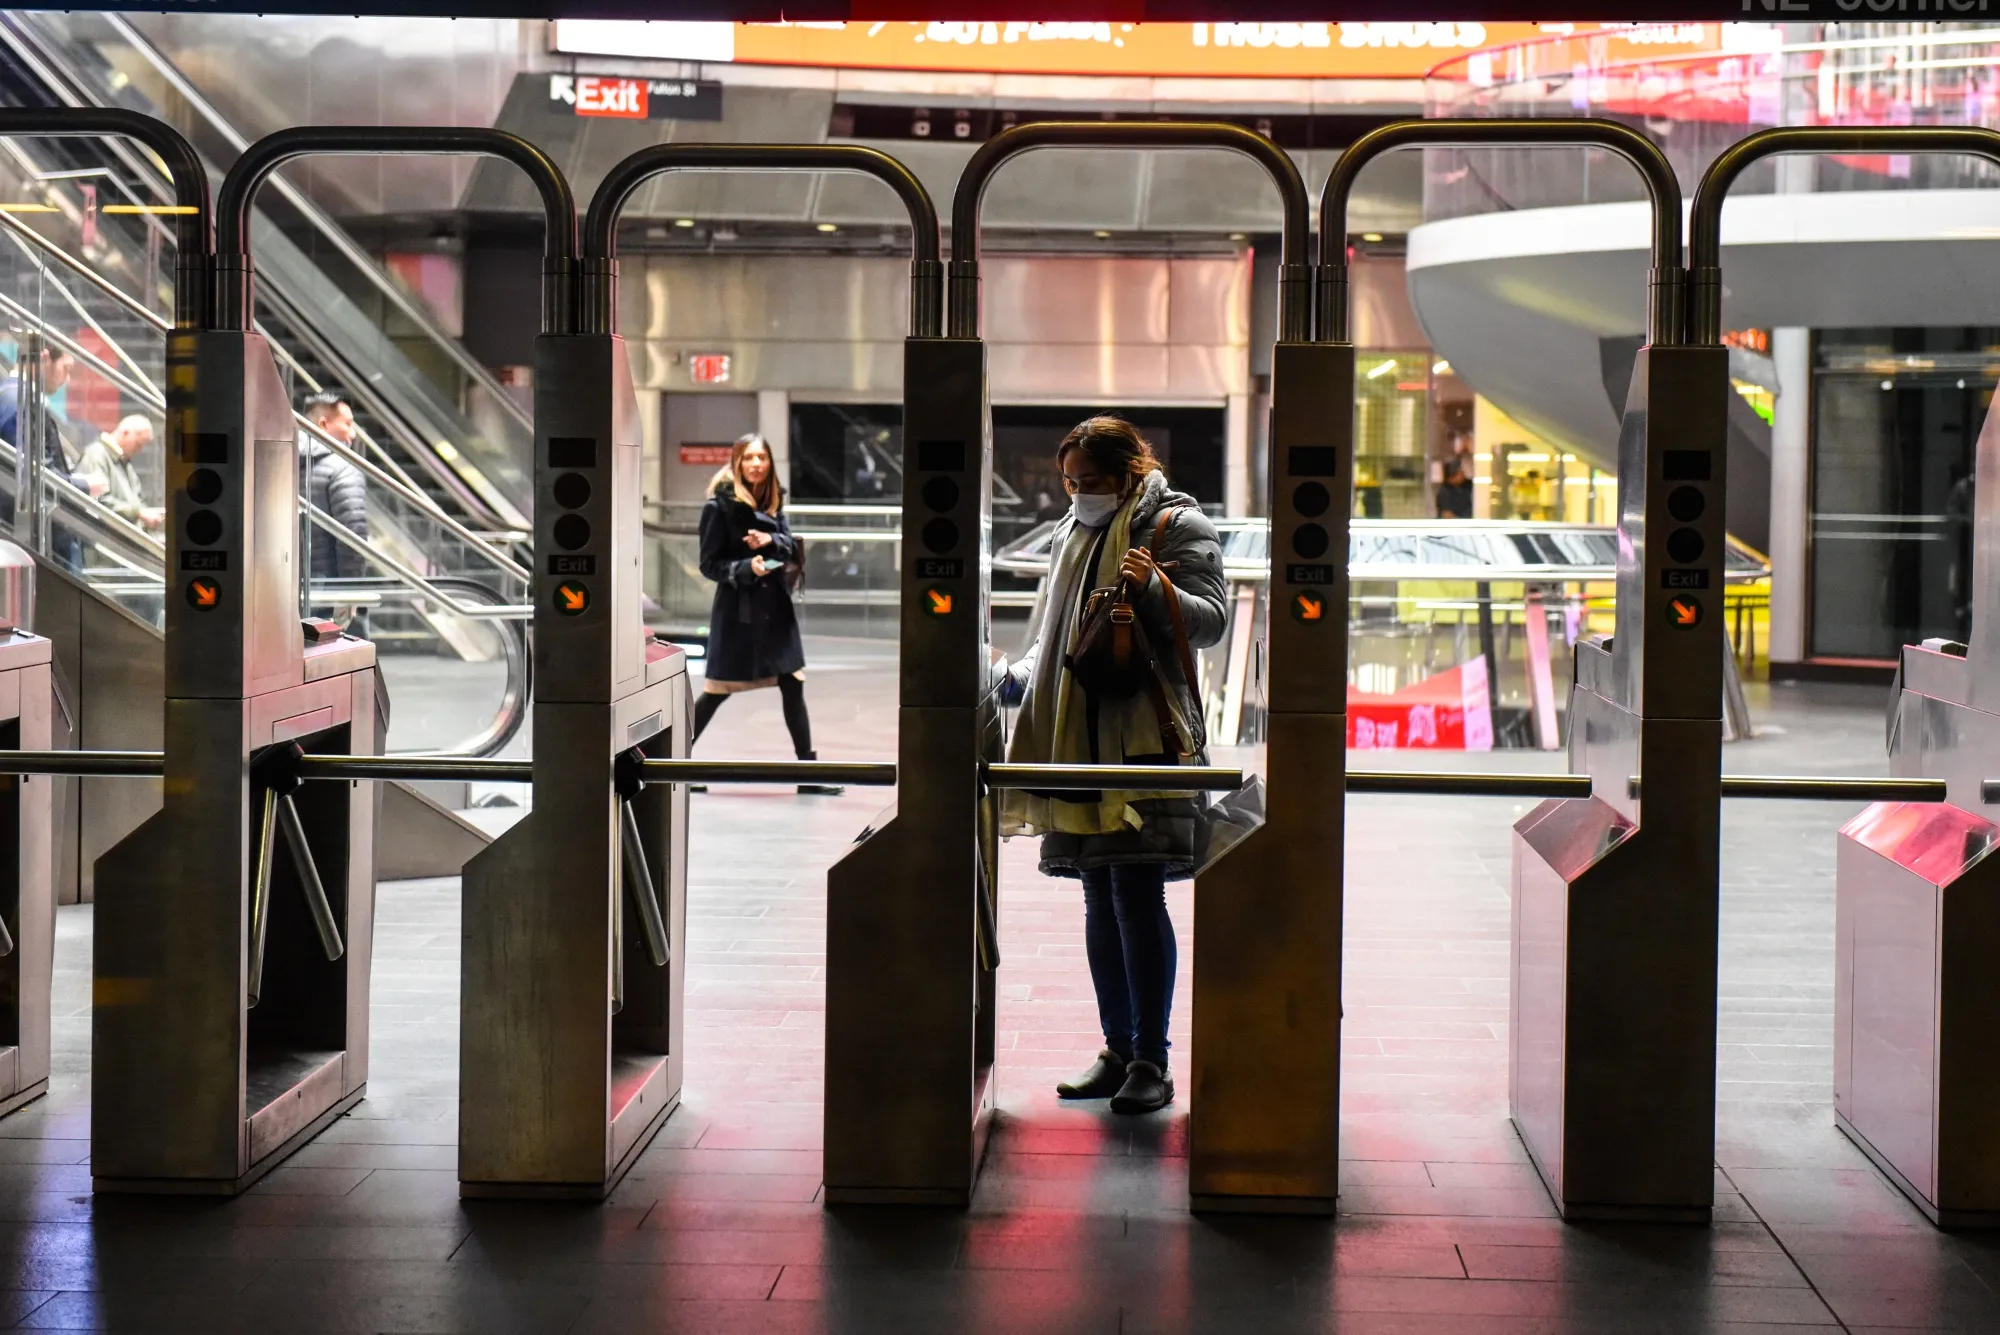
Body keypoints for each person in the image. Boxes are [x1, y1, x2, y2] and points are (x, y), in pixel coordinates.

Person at [999, 416, 1226, 1115]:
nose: (1077, 494)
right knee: (1100, 894)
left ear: (1128, 473)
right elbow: (1058, 627)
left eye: (1090, 482)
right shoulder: (1074, 531)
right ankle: (1119, 1047)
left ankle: (1151, 1059)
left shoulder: (1175, 524)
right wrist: (1025, 676)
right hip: (1077, 738)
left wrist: (1156, 588)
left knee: (1136, 894)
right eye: (1071, 482)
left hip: (1141, 742)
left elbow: (1212, 619)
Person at [693, 433, 841, 796]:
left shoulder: (774, 503)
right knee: (716, 691)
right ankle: (670, 764)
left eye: (761, 458)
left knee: (793, 684)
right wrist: (747, 567)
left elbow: (790, 545)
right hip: (738, 615)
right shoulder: (719, 507)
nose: (756, 464)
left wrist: (769, 542)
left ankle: (808, 773)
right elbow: (709, 564)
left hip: (775, 610)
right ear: (737, 463)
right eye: (748, 458)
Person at [77, 415, 163, 530]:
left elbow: (137, 499)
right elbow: (98, 501)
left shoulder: (124, 461)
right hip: (106, 537)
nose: (139, 450)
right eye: (138, 444)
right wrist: (138, 513)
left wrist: (145, 515)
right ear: (125, 433)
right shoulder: (96, 455)